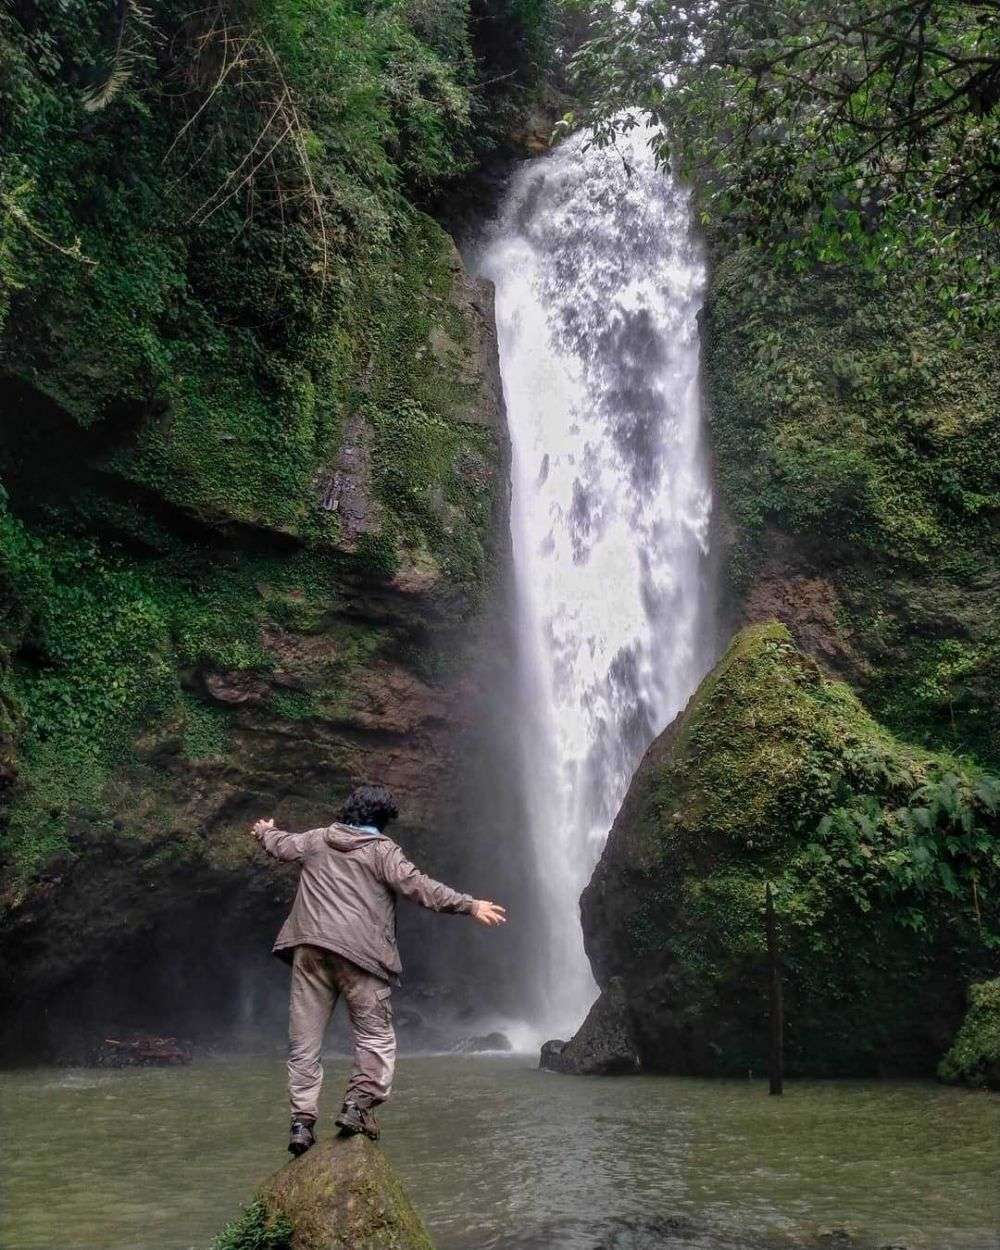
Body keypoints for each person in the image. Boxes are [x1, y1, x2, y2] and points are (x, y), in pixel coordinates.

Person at [252, 783, 506, 1154]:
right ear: (384, 819)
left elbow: (280, 844)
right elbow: (420, 887)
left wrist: (264, 831)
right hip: (362, 956)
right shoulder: (382, 851)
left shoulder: (317, 840)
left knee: (304, 1045)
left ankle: (301, 1125)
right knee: (375, 1038)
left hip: (310, 950)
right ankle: (357, 1107)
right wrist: (470, 905)